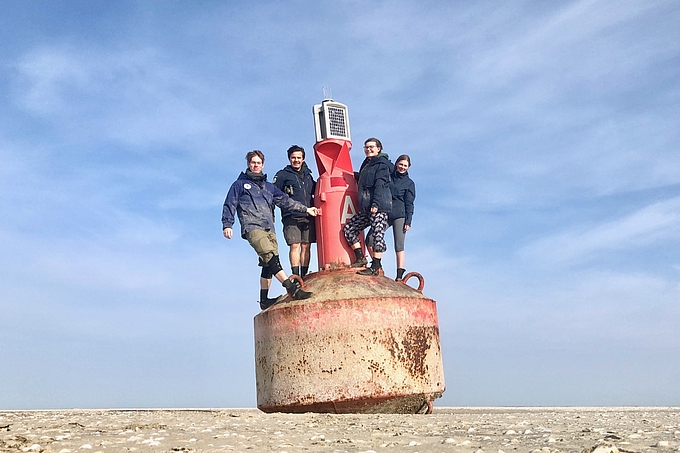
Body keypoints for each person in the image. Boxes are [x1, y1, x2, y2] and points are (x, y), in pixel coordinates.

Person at [222, 150, 318, 310]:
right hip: (252, 227)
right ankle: (292, 289)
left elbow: (286, 201)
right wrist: (227, 224)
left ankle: (264, 300)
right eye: (253, 162)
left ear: (263, 165)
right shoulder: (239, 185)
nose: (256, 165)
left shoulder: (268, 187)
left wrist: (306, 210)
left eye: (258, 163)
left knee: (267, 263)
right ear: (248, 164)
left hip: (269, 228)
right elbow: (229, 204)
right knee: (271, 258)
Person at [342, 137, 392, 276]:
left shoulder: (382, 165)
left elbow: (380, 185)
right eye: (366, 147)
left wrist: (375, 204)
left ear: (378, 149)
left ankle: (376, 265)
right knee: (348, 229)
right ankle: (360, 258)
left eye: (371, 147)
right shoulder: (367, 165)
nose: (368, 149)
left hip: (378, 206)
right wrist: (350, 175)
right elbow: (364, 182)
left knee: (377, 234)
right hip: (366, 207)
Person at [273, 145, 316, 278]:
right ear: (289, 159)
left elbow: (316, 190)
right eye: (293, 158)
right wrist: (272, 213)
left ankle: (304, 276)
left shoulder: (309, 175)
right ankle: (296, 276)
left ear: (303, 159)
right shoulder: (282, 175)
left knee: (306, 245)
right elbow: (273, 194)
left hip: (309, 216)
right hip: (291, 216)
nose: (296, 160)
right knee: (295, 245)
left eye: (299, 158)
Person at [389, 154, 416, 281]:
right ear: (396, 164)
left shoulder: (409, 184)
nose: (402, 167)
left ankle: (399, 275)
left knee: (399, 244)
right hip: (386, 211)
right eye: (401, 164)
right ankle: (377, 266)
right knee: (371, 238)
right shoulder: (389, 177)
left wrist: (408, 221)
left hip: (400, 214)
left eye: (405, 166)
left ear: (408, 167)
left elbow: (409, 203)